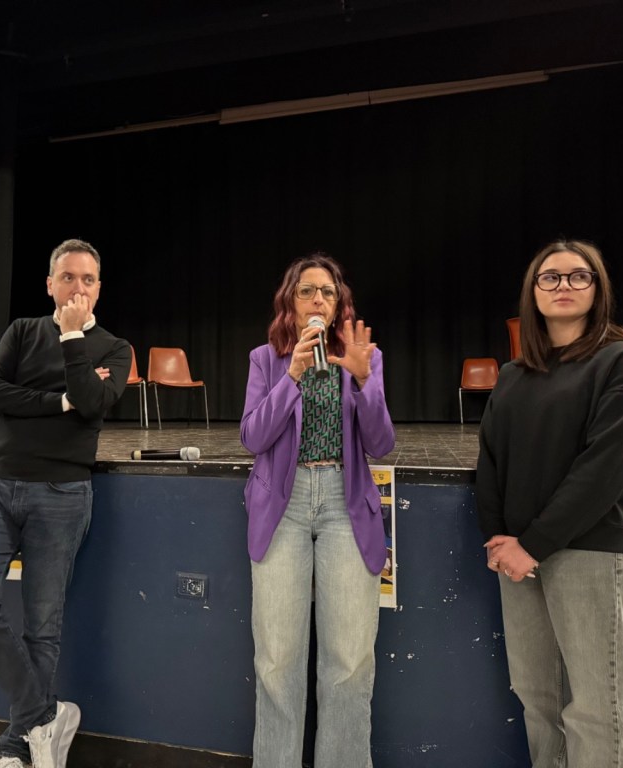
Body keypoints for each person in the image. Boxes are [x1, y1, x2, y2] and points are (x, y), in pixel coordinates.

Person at [477, 239, 623, 767]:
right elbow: (491, 459)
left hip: (592, 552)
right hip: (520, 559)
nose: (564, 286)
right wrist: (500, 537)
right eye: (550, 277)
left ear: (598, 289)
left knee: (602, 712)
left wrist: (532, 543)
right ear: (532, 292)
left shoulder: (622, 361)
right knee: (540, 703)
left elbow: (605, 469)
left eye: (579, 276)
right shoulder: (514, 375)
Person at [0, 238, 131, 768]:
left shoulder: (114, 349)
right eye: (68, 277)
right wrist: (59, 400)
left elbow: (93, 404)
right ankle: (45, 715)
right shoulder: (23, 331)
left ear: (99, 288)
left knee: (42, 628)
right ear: (50, 283)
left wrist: (74, 339)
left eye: (88, 279)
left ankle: (17, 744)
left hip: (62, 493)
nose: (78, 288)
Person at [240, 252, 395, 768]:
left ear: (338, 304)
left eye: (327, 292)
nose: (317, 299)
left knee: (349, 661)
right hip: (281, 508)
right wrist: (293, 376)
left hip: (344, 505)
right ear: (291, 301)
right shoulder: (266, 359)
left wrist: (365, 382)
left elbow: (381, 443)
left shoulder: (361, 357)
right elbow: (253, 437)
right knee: (277, 661)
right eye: (306, 290)